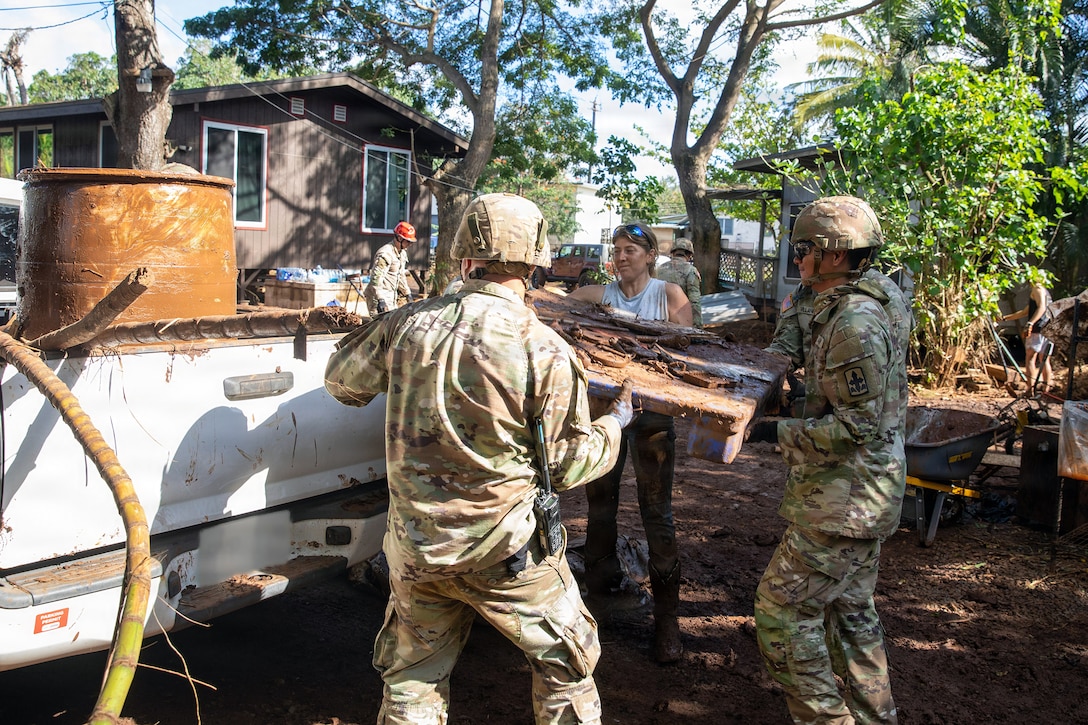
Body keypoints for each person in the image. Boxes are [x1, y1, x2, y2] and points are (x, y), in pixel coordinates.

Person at [325, 192, 634, 725]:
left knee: (412, 681)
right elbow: (567, 467)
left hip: (417, 549)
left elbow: (340, 384)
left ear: (466, 258)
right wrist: (615, 425)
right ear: (536, 263)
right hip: (507, 552)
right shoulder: (545, 349)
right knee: (567, 669)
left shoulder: (405, 325)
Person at [746, 196, 908, 724]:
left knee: (781, 614)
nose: (796, 259)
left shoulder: (855, 323)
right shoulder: (829, 298)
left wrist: (768, 431)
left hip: (845, 499)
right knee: (850, 614)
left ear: (836, 255)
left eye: (804, 249)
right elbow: (783, 350)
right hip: (858, 493)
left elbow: (856, 428)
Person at [567, 222, 692, 664]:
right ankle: (600, 596)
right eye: (617, 250)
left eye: (631, 250)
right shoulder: (602, 295)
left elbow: (687, 360)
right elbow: (563, 306)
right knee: (599, 504)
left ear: (649, 255)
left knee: (656, 513)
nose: (621, 257)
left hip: (654, 422)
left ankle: (667, 622)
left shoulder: (670, 296)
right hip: (609, 417)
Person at [1000, 273, 1054, 392]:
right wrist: (1005, 318)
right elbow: (1025, 312)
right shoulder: (1044, 291)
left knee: (1030, 358)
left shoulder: (1037, 289)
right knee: (1044, 359)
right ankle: (1045, 390)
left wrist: (1030, 323)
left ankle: (1031, 390)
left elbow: (1042, 308)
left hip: (1038, 329)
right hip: (1048, 329)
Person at [365, 220, 416, 315]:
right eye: (408, 241)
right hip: (378, 298)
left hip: (391, 296)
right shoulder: (385, 254)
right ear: (399, 238)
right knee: (382, 327)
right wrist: (381, 299)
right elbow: (375, 280)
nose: (410, 244)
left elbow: (401, 275)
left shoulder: (402, 253)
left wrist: (407, 293)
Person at [654, 237, 703, 327]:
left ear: (672, 253)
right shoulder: (690, 271)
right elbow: (694, 301)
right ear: (689, 255)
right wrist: (698, 328)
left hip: (658, 320)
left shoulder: (659, 269)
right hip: (680, 322)